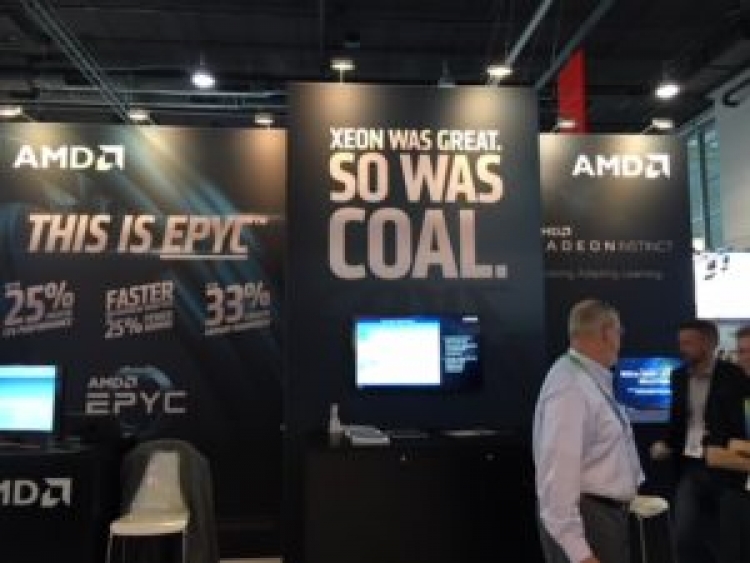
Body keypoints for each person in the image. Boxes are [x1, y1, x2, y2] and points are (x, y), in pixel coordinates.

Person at [533, 299, 643, 563]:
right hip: (588, 524)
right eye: (619, 332)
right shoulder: (570, 387)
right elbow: (558, 477)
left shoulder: (589, 378)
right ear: (607, 333)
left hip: (603, 519)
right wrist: (580, 553)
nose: (620, 340)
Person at [650, 319, 746, 563]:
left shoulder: (733, 375)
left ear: (708, 343)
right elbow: (677, 420)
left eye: (688, 343)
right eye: (680, 342)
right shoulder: (678, 376)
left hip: (727, 467)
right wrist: (667, 444)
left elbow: (740, 422)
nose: (682, 348)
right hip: (691, 465)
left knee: (727, 537)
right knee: (685, 533)